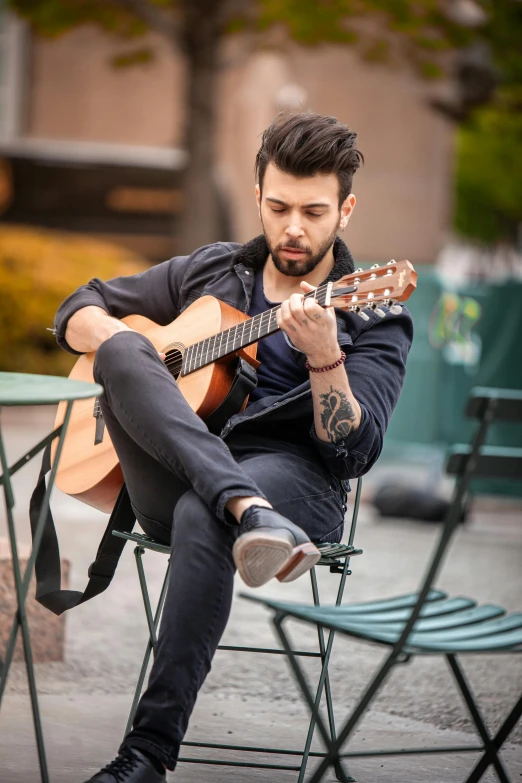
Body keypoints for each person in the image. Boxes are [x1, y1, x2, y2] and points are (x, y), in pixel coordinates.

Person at [54, 112, 413, 782]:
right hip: (187, 482)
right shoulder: (213, 271)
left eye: (313, 210)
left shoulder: (376, 313)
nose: (294, 229)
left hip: (294, 483)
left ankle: (146, 754)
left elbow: (355, 451)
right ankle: (242, 505)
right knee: (126, 348)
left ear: (347, 208)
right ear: (258, 199)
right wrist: (126, 344)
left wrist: (327, 360)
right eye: (278, 208)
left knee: (202, 511)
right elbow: (80, 304)